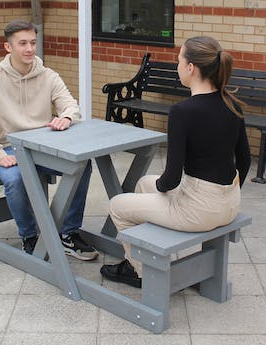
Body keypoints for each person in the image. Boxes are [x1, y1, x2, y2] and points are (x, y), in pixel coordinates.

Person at [100, 36, 251, 288]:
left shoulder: (183, 112)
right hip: (229, 203)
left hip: (198, 210)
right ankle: (143, 254)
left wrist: (165, 192)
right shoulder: (231, 103)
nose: (177, 65)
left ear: (191, 68)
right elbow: (244, 161)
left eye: (179, 60)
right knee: (144, 184)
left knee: (117, 205)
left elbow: (171, 179)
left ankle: (140, 273)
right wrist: (222, 194)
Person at [0, 19, 98, 261]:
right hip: (8, 149)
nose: (29, 49)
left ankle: (67, 233)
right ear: (8, 47)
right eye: (22, 44)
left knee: (82, 165)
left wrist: (67, 117)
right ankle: (29, 236)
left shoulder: (48, 75)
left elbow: (70, 104)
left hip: (44, 146)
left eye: (32, 42)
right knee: (16, 180)